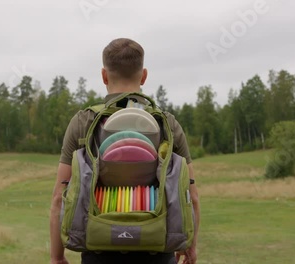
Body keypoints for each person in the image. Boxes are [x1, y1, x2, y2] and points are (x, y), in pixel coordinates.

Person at [49, 38, 200, 264]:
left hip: (97, 252)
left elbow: (59, 198)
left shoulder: (83, 122)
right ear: (144, 75)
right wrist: (190, 245)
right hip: (157, 251)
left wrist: (57, 257)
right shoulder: (167, 124)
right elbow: (193, 197)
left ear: (104, 76)